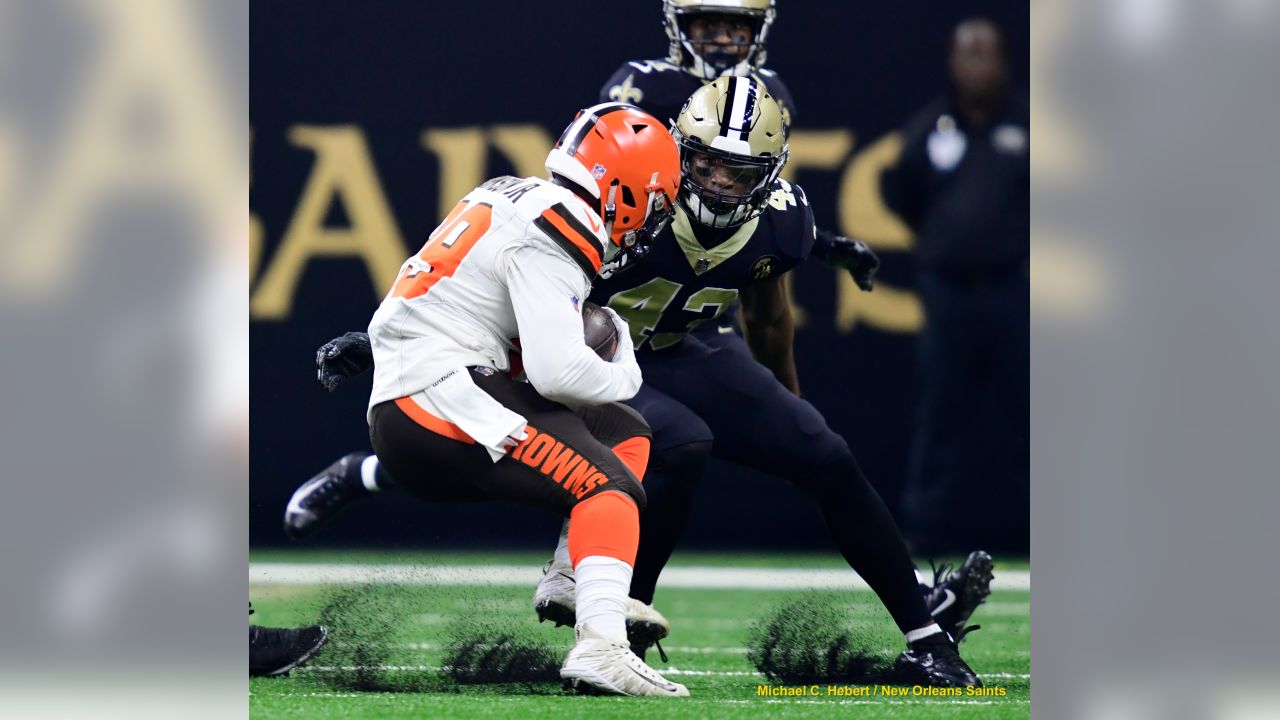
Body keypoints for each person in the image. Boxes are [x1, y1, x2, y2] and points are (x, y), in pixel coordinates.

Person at [298, 79, 986, 687]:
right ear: (677, 156)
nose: (717, 184)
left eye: (739, 173)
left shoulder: (783, 223)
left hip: (686, 349)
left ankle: (924, 636)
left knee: (824, 453)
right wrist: (383, 338)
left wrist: (787, 412)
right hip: (589, 356)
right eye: (706, 165)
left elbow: (770, 322)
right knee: (673, 440)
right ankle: (611, 622)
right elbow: (500, 286)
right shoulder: (627, 206)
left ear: (770, 174)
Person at [312, 102, 689, 697]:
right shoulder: (563, 228)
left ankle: (572, 580)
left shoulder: (513, 194)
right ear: (627, 190)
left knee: (626, 432)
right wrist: (624, 366)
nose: (652, 221)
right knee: (611, 486)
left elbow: (443, 298)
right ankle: (601, 647)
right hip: (437, 403)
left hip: (423, 400)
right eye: (657, 203)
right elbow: (559, 374)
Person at [880, 18, 1029, 554]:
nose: (975, 65)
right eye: (966, 54)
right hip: (949, 292)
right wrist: (943, 237)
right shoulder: (931, 129)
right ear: (951, 63)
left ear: (1003, 62)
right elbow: (897, 190)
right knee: (943, 410)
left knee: (1030, 409)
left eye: (985, 54)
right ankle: (925, 532)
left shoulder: (1029, 124)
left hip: (1014, 289)